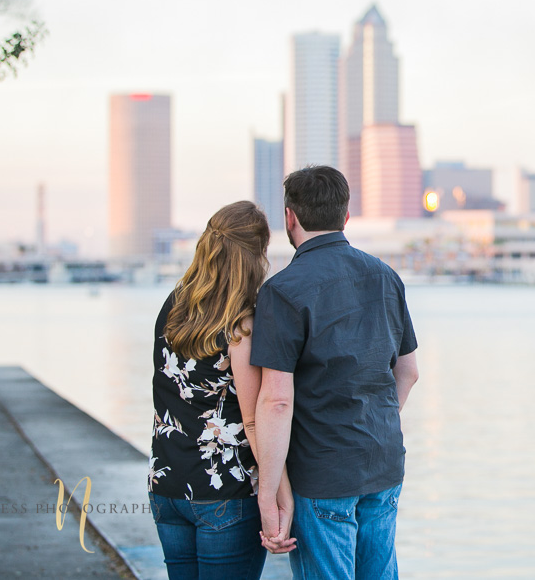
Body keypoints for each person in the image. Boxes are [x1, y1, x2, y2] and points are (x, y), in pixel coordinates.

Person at [251, 165, 419, 580]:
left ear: (289, 217)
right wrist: (375, 424)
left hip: (322, 469)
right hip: (382, 459)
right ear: (346, 216)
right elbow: (408, 372)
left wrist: (268, 494)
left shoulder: (282, 290)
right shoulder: (386, 276)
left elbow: (276, 399)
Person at [147, 200, 295, 580]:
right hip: (224, 495)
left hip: (167, 488)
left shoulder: (173, 307)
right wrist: (280, 499)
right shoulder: (241, 325)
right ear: (256, 254)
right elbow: (253, 421)